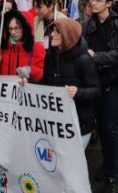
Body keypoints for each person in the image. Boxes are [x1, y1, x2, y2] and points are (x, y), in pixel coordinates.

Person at [81, 0, 118, 192]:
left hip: (113, 82)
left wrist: (97, 57)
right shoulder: (87, 24)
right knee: (99, 128)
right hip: (94, 83)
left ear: (109, 3)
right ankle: (106, 163)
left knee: (109, 128)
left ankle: (112, 176)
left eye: (98, 0)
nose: (93, 3)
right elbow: (81, 48)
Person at [42, 18, 101, 149]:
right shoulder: (51, 56)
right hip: (57, 122)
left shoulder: (84, 60)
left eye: (57, 32)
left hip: (80, 123)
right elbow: (45, 82)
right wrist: (27, 83)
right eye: (52, 31)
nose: (52, 34)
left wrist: (78, 92)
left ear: (68, 35)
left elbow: (96, 90)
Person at [0, 10, 45, 82]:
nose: (13, 32)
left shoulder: (37, 48)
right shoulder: (2, 47)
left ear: (25, 28)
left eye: (17, 28)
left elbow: (43, 74)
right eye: (10, 28)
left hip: (25, 91)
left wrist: (30, 70)